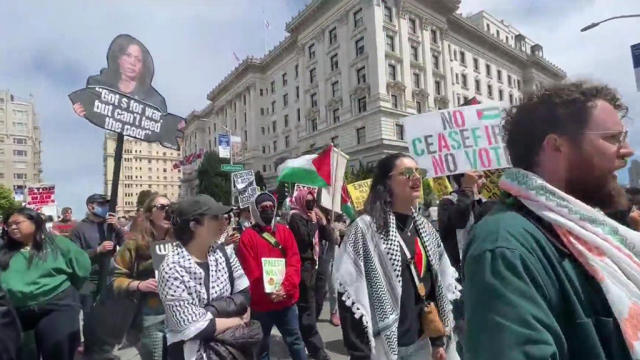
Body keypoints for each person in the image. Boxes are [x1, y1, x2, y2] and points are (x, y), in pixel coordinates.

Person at [464, 81, 637, 359]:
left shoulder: (595, 233)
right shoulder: (504, 246)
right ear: (556, 145)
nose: (627, 151)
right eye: (612, 138)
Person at [334, 153, 460, 360]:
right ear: (386, 183)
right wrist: (360, 354)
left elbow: (433, 286)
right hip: (382, 346)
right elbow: (349, 293)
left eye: (418, 172)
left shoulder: (425, 228)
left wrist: (437, 341)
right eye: (407, 173)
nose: (416, 178)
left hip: (420, 343)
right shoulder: (365, 230)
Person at [158, 194, 253, 360]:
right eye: (215, 217)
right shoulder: (171, 268)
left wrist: (209, 311)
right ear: (194, 225)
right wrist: (237, 320)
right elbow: (193, 327)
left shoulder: (225, 253)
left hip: (231, 350)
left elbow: (244, 295)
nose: (224, 221)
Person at [0, 207, 90, 360]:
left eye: (17, 223)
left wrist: (67, 290)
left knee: (58, 350)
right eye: (9, 225)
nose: (12, 227)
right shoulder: (3, 251)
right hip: (17, 312)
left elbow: (82, 267)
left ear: (34, 222)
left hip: (57, 306)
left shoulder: (56, 243)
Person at [236, 192, 306, 360]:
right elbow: (250, 271)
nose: (268, 210)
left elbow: (294, 262)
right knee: (262, 348)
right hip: (261, 305)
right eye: (263, 208)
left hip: (286, 300)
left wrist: (285, 288)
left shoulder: (285, 233)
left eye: (271, 207)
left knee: (296, 342)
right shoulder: (247, 237)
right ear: (255, 210)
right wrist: (269, 291)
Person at [113, 193, 172, 360]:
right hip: (150, 318)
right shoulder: (134, 244)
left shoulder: (181, 241)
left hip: (178, 316)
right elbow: (114, 280)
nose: (167, 211)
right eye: (161, 207)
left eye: (170, 207)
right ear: (149, 214)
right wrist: (139, 285)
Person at [70, 193, 126, 359]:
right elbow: (75, 256)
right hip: (89, 279)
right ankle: (92, 351)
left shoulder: (110, 226)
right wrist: (97, 251)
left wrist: (117, 227)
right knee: (90, 315)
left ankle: (105, 350)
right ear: (91, 206)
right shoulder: (79, 229)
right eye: (102, 204)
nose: (106, 207)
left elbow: (127, 245)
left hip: (109, 275)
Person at [73, 34, 167, 115]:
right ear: (118, 58)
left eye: (138, 60)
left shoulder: (155, 101)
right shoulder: (97, 85)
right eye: (128, 56)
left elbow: (162, 129)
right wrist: (83, 109)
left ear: (143, 67)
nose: (132, 63)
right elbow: (91, 107)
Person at [288, 189, 330, 360]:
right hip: (304, 267)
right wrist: (313, 222)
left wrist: (324, 221)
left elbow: (328, 236)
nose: (311, 204)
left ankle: (305, 332)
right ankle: (316, 349)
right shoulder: (295, 217)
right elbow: (304, 238)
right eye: (308, 201)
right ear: (301, 201)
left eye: (313, 200)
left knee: (318, 301)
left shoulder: (313, 216)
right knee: (308, 308)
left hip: (317, 264)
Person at [313, 208, 340, 326]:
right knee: (318, 289)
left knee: (333, 287)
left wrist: (328, 225)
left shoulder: (337, 220)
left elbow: (336, 240)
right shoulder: (313, 218)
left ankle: (334, 312)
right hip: (317, 258)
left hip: (331, 258)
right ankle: (314, 312)